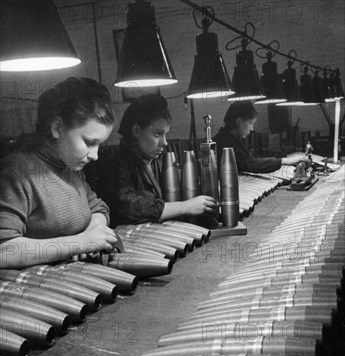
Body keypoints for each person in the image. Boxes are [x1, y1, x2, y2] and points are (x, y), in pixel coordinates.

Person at [0, 77, 119, 269]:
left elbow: (98, 208)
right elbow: (4, 250)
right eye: (89, 142)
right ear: (57, 127)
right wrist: (80, 243)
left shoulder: (70, 168)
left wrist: (95, 231)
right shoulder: (17, 171)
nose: (95, 155)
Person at [95, 94, 218, 226]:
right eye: (158, 134)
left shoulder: (157, 161)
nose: (164, 143)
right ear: (136, 130)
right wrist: (184, 207)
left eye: (166, 134)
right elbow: (128, 206)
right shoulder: (115, 164)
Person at [214, 100, 307, 173]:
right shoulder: (224, 141)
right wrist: (284, 161)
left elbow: (252, 158)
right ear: (238, 121)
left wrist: (285, 156)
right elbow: (250, 164)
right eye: (250, 123)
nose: (252, 129)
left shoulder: (233, 138)